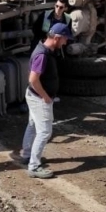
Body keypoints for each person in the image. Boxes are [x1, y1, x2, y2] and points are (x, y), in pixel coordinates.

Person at [24, 22, 73, 179]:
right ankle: (34, 166)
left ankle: (26, 154)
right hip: (39, 98)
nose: (66, 42)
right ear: (57, 38)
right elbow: (33, 79)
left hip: (33, 96)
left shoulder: (46, 50)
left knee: (32, 125)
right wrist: (45, 97)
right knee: (44, 132)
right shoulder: (42, 55)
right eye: (65, 39)